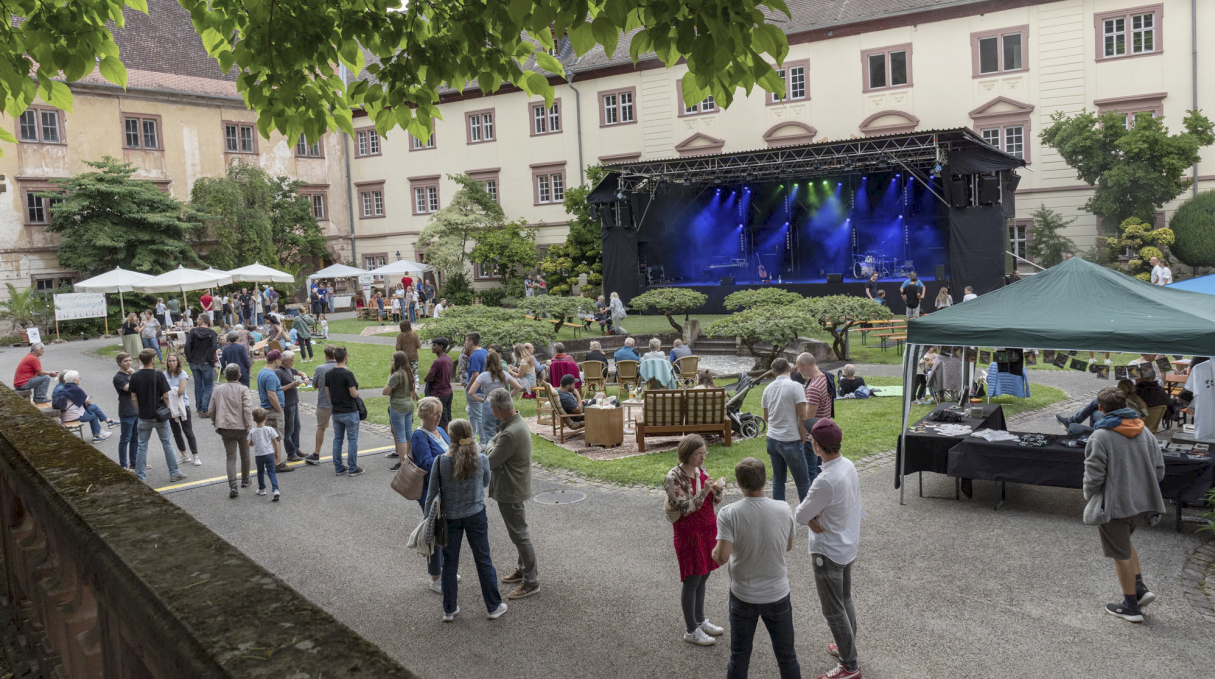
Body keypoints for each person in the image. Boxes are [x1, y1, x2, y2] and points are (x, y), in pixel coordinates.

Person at [1082, 387, 1165, 623]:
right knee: (1125, 545)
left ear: (1100, 409)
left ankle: (1130, 606)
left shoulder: (1100, 437)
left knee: (1120, 554)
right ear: (1125, 405)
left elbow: (1093, 477)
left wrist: (1090, 497)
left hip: (1114, 505)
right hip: (1141, 503)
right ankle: (1139, 589)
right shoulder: (1145, 432)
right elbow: (1159, 470)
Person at [712, 457, 800, 678]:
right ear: (764, 480)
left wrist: (713, 549)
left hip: (743, 595)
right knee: (787, 656)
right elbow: (787, 546)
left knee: (739, 656)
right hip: (778, 593)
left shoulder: (729, 513)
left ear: (739, 484)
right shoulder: (783, 508)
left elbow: (721, 557)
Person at [794, 418, 862, 679]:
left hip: (828, 551)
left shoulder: (825, 480)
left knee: (832, 609)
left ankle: (849, 665)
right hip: (845, 544)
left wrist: (810, 515)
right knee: (844, 599)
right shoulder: (847, 465)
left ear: (816, 446)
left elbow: (800, 515)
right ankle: (848, 645)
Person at [427, 419, 507, 622]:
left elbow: (431, 494)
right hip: (476, 514)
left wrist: (426, 519)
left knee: (450, 563)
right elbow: (486, 482)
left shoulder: (440, 461)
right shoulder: (481, 459)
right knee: (483, 559)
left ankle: (449, 609)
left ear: (451, 437)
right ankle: (493, 606)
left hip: (450, 518)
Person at [664, 434, 726, 646]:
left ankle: (700, 619)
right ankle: (691, 629)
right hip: (689, 533)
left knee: (704, 575)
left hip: (707, 530)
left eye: (704, 453)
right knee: (692, 579)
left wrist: (717, 490)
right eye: (699, 454)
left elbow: (712, 502)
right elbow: (685, 508)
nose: (703, 458)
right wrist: (706, 491)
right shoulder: (673, 477)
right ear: (687, 454)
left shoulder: (702, 471)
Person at [484, 389, 541, 599]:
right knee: (519, 534)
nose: (491, 411)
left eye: (492, 408)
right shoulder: (516, 422)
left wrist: (490, 444)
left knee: (520, 535)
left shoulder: (508, 433)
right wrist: (493, 443)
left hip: (510, 488)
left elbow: (490, 460)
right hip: (515, 485)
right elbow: (494, 445)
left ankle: (531, 581)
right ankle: (523, 570)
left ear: (498, 410)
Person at [410, 397, 451, 590]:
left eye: (440, 412)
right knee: (434, 534)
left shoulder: (441, 430)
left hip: (446, 490)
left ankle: (445, 570)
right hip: (430, 492)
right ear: (425, 415)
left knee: (446, 532)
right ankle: (435, 578)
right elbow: (426, 463)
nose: (439, 416)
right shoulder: (419, 436)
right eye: (435, 413)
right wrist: (449, 458)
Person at [129, 349, 186, 483]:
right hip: (159, 415)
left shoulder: (135, 376)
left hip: (144, 416)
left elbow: (133, 398)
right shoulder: (158, 375)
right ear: (153, 359)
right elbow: (166, 395)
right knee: (167, 444)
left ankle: (140, 476)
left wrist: (140, 410)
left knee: (142, 446)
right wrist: (168, 409)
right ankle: (174, 472)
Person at [761, 358, 810, 502]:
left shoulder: (767, 388)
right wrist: (803, 437)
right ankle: (809, 518)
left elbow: (766, 417)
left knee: (778, 480)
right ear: (790, 369)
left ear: (774, 373)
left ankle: (779, 514)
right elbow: (803, 416)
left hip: (772, 439)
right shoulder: (796, 387)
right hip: (790, 439)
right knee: (802, 482)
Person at [210, 363, 253, 497]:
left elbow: (211, 409)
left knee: (231, 457)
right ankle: (245, 479)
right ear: (239, 375)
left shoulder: (218, 389)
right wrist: (249, 426)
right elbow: (247, 409)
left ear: (225, 375)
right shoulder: (243, 389)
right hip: (241, 427)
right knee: (245, 454)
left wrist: (215, 421)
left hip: (225, 426)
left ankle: (233, 484)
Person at [467, 349, 522, 444]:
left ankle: (491, 453)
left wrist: (481, 400)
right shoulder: (504, 374)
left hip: (489, 404)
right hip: (503, 404)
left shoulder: (483, 376)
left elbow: (471, 392)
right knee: (504, 430)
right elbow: (518, 387)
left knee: (489, 432)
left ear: (486, 362)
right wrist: (509, 396)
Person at [326, 346, 363, 476]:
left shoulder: (328, 374)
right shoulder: (348, 374)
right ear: (346, 358)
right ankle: (352, 467)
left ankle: (338, 467)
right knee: (352, 439)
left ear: (335, 358)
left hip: (336, 411)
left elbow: (328, 393)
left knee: (337, 439)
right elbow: (353, 394)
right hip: (350, 410)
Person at [796, 352, 831, 485]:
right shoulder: (824, 377)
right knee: (820, 471)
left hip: (812, 437)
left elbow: (807, 418)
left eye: (798, 368)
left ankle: (815, 502)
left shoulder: (814, 388)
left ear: (805, 365)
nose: (798, 372)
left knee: (811, 474)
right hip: (823, 431)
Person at [256, 350, 293, 474]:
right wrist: (279, 409)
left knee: (271, 437)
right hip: (272, 410)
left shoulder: (262, 371)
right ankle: (277, 463)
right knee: (276, 437)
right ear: (276, 360)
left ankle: (272, 461)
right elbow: (271, 395)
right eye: (280, 359)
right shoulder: (271, 375)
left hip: (266, 408)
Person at [163, 354, 201, 466]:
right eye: (169, 361)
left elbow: (181, 391)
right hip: (170, 406)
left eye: (174, 361)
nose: (171, 363)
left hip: (183, 405)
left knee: (188, 431)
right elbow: (161, 391)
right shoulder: (164, 375)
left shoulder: (182, 374)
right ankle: (184, 454)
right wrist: (171, 391)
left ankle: (195, 455)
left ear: (178, 362)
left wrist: (169, 391)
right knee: (176, 432)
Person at [58, 370, 115, 443]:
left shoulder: (64, 388)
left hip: (64, 415)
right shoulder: (75, 389)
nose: (80, 379)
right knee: (94, 415)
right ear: (74, 380)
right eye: (78, 377)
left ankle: (109, 422)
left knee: (93, 407)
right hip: (73, 416)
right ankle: (96, 436)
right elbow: (87, 401)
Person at [383, 351, 416, 469]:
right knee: (409, 433)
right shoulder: (409, 373)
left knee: (401, 436)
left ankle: (403, 463)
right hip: (409, 405)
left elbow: (385, 392)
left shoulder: (396, 375)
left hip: (398, 407)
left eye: (393, 360)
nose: (391, 362)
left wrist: (389, 382)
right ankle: (411, 458)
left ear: (398, 362)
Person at [276, 350, 309, 463]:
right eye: (292, 360)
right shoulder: (278, 372)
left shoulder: (289, 369)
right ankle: (291, 453)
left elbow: (300, 372)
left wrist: (305, 377)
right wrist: (292, 385)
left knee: (297, 427)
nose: (293, 362)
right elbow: (278, 389)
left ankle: (296, 449)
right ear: (285, 361)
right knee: (289, 430)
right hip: (287, 403)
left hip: (294, 402)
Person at [184, 313, 219, 418]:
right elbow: (213, 348)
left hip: (195, 362)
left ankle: (200, 407)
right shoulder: (212, 333)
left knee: (198, 385)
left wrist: (190, 359)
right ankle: (204, 409)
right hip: (206, 363)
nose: (196, 320)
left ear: (202, 321)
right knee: (208, 385)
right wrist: (207, 359)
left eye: (198, 318)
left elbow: (187, 346)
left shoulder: (193, 332)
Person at [112, 353, 140, 469]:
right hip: (126, 411)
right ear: (119, 363)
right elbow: (130, 388)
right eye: (125, 361)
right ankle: (123, 465)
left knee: (135, 438)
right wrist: (134, 375)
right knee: (125, 439)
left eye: (129, 360)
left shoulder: (131, 375)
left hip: (136, 410)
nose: (129, 363)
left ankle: (134, 462)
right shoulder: (118, 377)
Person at [248, 408, 282, 501]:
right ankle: (276, 490)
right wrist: (277, 452)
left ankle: (262, 488)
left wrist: (251, 442)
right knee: (271, 472)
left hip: (259, 454)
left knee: (260, 471)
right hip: (270, 453)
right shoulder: (270, 429)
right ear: (265, 418)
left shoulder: (252, 431)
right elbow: (275, 442)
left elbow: (250, 444)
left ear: (254, 419)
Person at [424, 338, 454, 429]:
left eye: (434, 345)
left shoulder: (437, 362)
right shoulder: (448, 358)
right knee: (448, 419)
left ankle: (447, 442)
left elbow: (427, 378)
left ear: (441, 347)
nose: (432, 347)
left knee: (441, 422)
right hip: (448, 392)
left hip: (439, 394)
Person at [463, 332, 488, 439]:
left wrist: (468, 388)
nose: (465, 343)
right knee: (472, 414)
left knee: (479, 417)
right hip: (483, 388)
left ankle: (483, 442)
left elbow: (475, 375)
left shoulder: (474, 355)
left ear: (471, 342)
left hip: (475, 390)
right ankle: (472, 438)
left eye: (466, 340)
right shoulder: (485, 352)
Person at [1185, 357, 1215, 438]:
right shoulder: (1198, 369)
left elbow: (1190, 389)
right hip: (1206, 416)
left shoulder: (1198, 368)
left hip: (1206, 417)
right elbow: (1191, 390)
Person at [395, 321, 422, 387]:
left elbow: (397, 348)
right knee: (415, 373)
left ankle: (406, 387)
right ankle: (416, 387)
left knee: (404, 373)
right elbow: (418, 345)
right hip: (414, 357)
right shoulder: (414, 334)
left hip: (404, 358)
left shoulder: (400, 336)